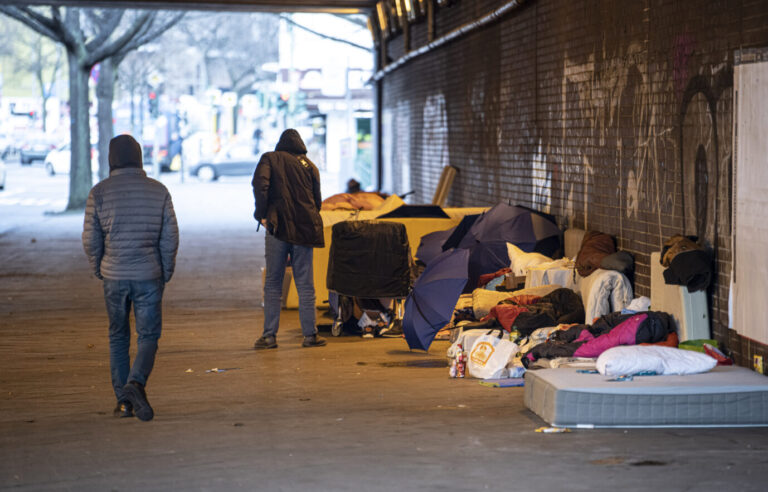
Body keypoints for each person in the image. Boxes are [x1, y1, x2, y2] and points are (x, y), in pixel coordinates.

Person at [82, 134, 179, 421]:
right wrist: (166, 269)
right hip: (149, 274)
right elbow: (170, 237)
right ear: (139, 157)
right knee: (148, 335)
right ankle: (136, 383)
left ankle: (124, 402)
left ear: (111, 159)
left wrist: (99, 268)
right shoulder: (159, 191)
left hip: (114, 275)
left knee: (118, 335)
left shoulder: (99, 192)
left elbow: (90, 239)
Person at [252, 129, 326, 349]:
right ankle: (310, 336)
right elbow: (317, 200)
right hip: (304, 230)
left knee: (273, 282)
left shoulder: (270, 158)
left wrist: (262, 214)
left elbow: (260, 185)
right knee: (305, 284)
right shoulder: (309, 165)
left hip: (278, 227)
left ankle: (269, 336)